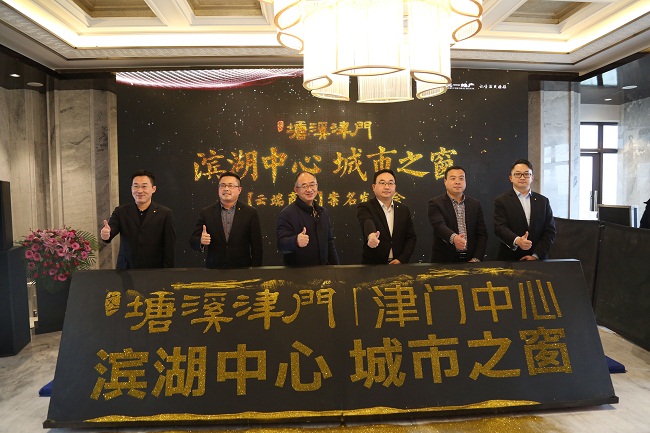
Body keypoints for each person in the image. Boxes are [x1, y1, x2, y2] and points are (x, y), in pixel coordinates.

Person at [101, 169, 175, 269]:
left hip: (154, 270)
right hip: (126, 269)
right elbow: (111, 230)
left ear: (153, 189)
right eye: (136, 186)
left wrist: (168, 272)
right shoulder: (121, 211)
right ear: (131, 188)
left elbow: (169, 247)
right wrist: (106, 234)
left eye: (144, 186)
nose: (140, 191)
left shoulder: (165, 213)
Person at [189, 171, 263, 268]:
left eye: (230, 186)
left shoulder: (250, 212)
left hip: (242, 270)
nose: (226, 189)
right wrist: (201, 241)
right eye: (222, 185)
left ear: (239, 190)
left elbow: (257, 246)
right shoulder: (207, 212)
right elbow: (193, 240)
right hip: (214, 270)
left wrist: (255, 271)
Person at [493, 159, 556, 261]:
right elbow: (500, 228)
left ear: (532, 177)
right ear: (511, 178)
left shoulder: (543, 201)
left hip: (538, 260)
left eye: (526, 174)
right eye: (518, 174)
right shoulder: (501, 201)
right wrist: (517, 240)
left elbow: (550, 231)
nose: (522, 177)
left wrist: (536, 255)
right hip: (511, 259)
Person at [276, 172, 339, 266]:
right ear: (296, 190)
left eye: (312, 185)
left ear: (317, 186)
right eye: (304, 186)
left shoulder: (322, 212)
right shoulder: (287, 214)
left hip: (323, 271)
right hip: (299, 272)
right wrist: (296, 241)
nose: (309, 189)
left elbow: (329, 243)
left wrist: (336, 269)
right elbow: (281, 245)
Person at [428, 166, 487, 263]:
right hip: (444, 261)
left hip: (471, 260)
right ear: (445, 181)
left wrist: (476, 258)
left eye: (461, 178)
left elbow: (482, 234)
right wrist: (455, 238)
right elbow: (439, 226)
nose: (457, 182)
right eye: (453, 178)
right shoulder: (435, 203)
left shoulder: (475, 204)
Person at [356, 169, 417, 264]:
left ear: (395, 187)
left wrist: (402, 259)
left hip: (398, 264)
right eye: (382, 183)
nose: (387, 187)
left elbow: (411, 237)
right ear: (373, 187)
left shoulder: (403, 209)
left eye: (390, 183)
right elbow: (367, 221)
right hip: (373, 264)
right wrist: (371, 235)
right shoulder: (365, 207)